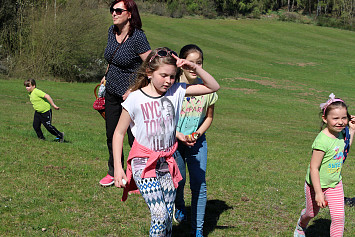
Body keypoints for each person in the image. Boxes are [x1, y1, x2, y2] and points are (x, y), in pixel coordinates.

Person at [111, 47, 220, 236]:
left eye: (172, 76)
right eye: (163, 75)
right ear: (149, 73)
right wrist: (118, 168)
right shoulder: (135, 99)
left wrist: (192, 66)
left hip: (167, 163)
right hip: (143, 163)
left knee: (167, 216)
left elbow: (213, 87)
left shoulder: (176, 91)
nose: (168, 81)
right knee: (160, 213)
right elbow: (119, 133)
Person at [99, 0, 151, 187]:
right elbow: (111, 58)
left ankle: (138, 175)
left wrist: (134, 88)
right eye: (112, 10)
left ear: (130, 14)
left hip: (131, 95)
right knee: (111, 133)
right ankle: (114, 172)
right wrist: (105, 77)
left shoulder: (137, 37)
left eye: (118, 10)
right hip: (111, 91)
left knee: (133, 137)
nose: (114, 13)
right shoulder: (111, 32)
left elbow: (149, 65)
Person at [294, 93, 355, 237]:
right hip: (315, 185)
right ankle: (301, 226)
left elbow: (344, 150)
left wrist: (352, 130)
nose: (340, 122)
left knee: (339, 218)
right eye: (335, 118)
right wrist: (319, 193)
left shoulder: (342, 134)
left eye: (344, 118)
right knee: (311, 213)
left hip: (334, 184)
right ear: (325, 118)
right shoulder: (322, 140)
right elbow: (314, 168)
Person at [173, 44, 218, 237]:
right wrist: (177, 135)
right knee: (179, 180)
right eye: (190, 63)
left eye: (198, 63)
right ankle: (179, 205)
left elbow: (209, 117)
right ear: (181, 63)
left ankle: (197, 230)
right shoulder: (172, 88)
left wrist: (198, 134)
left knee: (199, 183)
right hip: (174, 142)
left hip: (197, 142)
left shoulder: (207, 90)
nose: (194, 67)